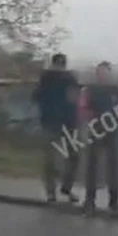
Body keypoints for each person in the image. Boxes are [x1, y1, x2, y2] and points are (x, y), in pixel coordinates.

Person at [32, 53, 81, 203]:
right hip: (62, 122)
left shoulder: (47, 78)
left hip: (56, 122)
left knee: (54, 158)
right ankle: (60, 189)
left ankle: (54, 190)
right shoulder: (63, 78)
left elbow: (35, 97)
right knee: (63, 158)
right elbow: (75, 98)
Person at [79, 61, 118, 215]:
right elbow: (83, 108)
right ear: (97, 74)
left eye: (105, 73)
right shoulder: (90, 90)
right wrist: (92, 118)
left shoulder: (116, 91)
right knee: (92, 168)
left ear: (110, 74)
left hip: (112, 132)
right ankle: (90, 201)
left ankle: (114, 201)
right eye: (100, 72)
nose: (102, 75)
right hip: (96, 131)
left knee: (114, 169)